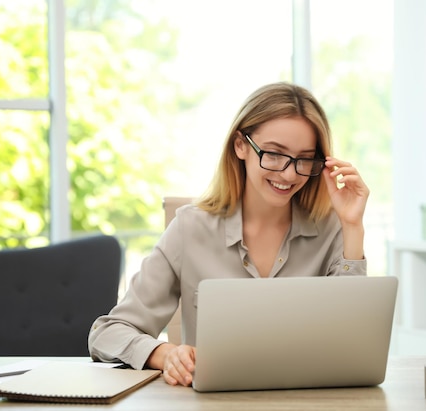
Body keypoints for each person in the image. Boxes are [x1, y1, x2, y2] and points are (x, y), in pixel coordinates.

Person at [88, 82, 370, 387]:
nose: (289, 174)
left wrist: (352, 226)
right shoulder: (189, 229)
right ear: (240, 146)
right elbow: (108, 333)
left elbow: (352, 339)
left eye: (304, 159)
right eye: (275, 154)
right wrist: (164, 353)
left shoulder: (331, 228)